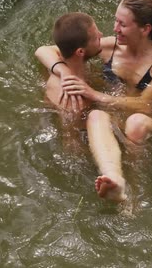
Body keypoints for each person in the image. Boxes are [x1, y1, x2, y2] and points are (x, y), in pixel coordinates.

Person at [36, 0, 152, 201]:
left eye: (122, 24)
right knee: (95, 116)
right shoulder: (110, 46)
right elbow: (44, 50)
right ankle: (116, 182)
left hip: (149, 120)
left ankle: (138, 193)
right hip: (114, 116)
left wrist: (94, 94)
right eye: (116, 20)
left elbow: (146, 105)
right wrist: (63, 71)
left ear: (145, 29)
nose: (114, 28)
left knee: (136, 123)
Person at [43, 12, 127, 202]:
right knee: (98, 116)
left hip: (93, 131)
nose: (101, 37)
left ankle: (113, 180)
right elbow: (70, 137)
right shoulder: (68, 92)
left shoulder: (67, 66)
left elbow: (42, 50)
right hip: (91, 138)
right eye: (97, 37)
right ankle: (113, 178)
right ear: (80, 51)